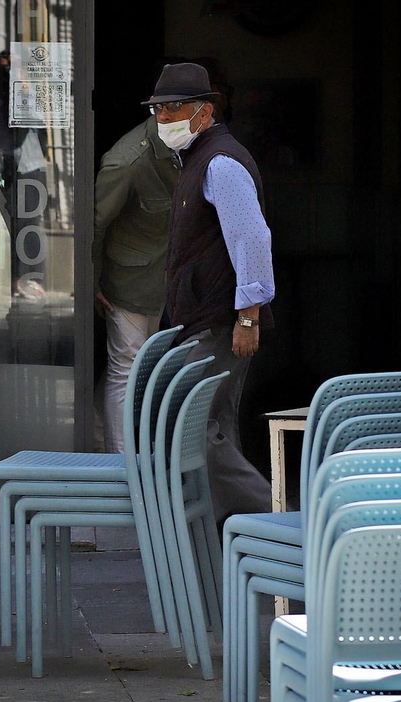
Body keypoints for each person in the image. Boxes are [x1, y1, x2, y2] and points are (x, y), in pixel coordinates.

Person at [147, 61, 274, 518]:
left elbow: (251, 238)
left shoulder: (220, 162)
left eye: (174, 108)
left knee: (194, 427)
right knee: (214, 425)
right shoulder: (196, 158)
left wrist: (248, 317)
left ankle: (274, 519)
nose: (164, 117)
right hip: (204, 317)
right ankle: (240, 535)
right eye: (158, 109)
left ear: (205, 110)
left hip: (220, 320)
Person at [91, 110, 180, 450]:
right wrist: (91, 282)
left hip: (160, 278)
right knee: (126, 369)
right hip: (128, 281)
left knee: (132, 367)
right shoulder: (127, 161)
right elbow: (95, 224)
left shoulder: (184, 145)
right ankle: (119, 463)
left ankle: (99, 438)